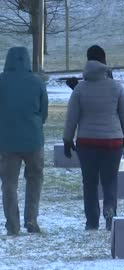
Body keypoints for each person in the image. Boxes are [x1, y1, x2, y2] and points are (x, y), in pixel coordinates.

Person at [63, 45, 124, 231]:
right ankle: (110, 211)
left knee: (89, 182)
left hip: (87, 143)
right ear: (104, 61)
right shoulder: (116, 87)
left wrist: (67, 139)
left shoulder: (80, 89)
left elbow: (72, 117)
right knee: (110, 180)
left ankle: (92, 221)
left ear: (88, 62)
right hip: (113, 143)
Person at [0, 47, 48, 236]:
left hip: (6, 142)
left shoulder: (1, 81)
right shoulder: (37, 82)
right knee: (34, 179)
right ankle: (31, 220)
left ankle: (13, 224)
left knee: (9, 183)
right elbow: (43, 112)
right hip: (33, 140)